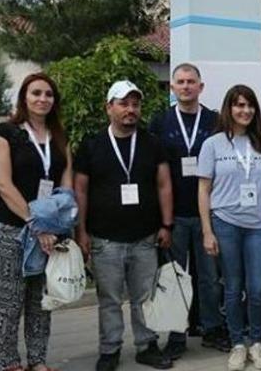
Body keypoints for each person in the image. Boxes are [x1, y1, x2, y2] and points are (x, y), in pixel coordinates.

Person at [74, 81, 174, 371]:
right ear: (109, 108)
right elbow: (80, 190)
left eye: (135, 104)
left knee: (145, 296)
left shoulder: (152, 143)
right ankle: (110, 350)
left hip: (146, 236)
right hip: (105, 238)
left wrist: (166, 225)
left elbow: (164, 185)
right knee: (109, 299)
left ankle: (147, 345)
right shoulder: (92, 145)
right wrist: (81, 231)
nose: (131, 110)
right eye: (123, 103)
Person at [198, 85, 261, 371]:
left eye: (250, 106)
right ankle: (237, 344)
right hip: (225, 223)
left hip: (259, 226)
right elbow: (204, 189)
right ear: (229, 108)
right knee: (233, 288)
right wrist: (207, 231)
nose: (245, 111)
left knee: (258, 288)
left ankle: (256, 343)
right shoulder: (213, 144)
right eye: (239, 105)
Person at [149, 63, 228, 357]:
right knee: (175, 278)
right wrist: (161, 220)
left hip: (209, 214)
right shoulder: (160, 122)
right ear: (172, 87)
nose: (186, 86)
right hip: (175, 216)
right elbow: (154, 172)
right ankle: (176, 334)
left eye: (191, 81)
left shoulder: (215, 120)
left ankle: (212, 329)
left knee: (210, 277)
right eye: (180, 82)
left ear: (200, 87)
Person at [0, 73, 73, 371]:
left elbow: (65, 190)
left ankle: (39, 360)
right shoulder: (7, 134)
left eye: (49, 94)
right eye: (36, 93)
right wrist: (36, 223)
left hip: (49, 236)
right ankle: (8, 361)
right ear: (24, 98)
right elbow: (3, 185)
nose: (43, 99)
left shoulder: (60, 138)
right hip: (13, 230)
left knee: (41, 301)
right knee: (9, 301)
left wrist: (55, 228)